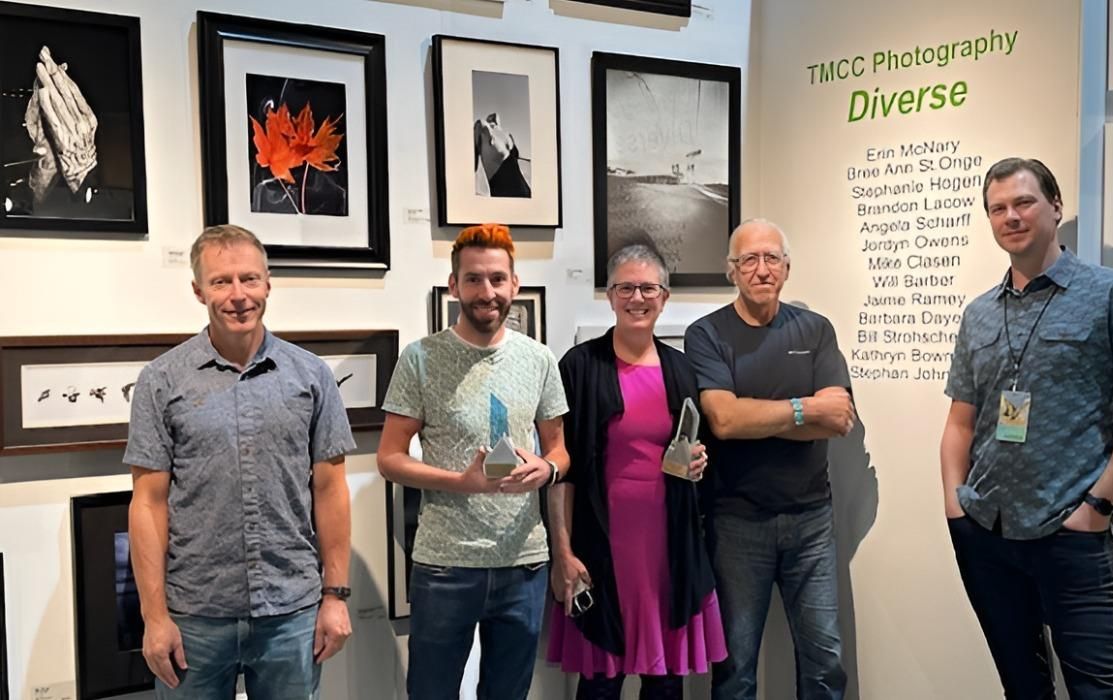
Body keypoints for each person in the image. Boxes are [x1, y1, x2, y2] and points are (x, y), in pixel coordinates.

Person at [941, 158, 1113, 699]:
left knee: (1096, 690)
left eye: (1023, 203)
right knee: (1021, 686)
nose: (1011, 217)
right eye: (998, 208)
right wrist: (956, 506)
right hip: (987, 530)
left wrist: (1098, 507)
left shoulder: (1111, 294)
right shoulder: (979, 313)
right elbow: (959, 420)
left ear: (1055, 207)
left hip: (1071, 532)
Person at [125, 224, 355, 699]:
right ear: (198, 291)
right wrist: (154, 617)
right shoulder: (161, 381)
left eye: (249, 279)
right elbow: (148, 504)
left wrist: (335, 597)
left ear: (268, 283)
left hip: (291, 611)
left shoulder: (311, 376)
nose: (238, 295)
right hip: (195, 614)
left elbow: (330, 490)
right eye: (221, 282)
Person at [376, 223, 568, 699]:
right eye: (475, 279)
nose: (488, 292)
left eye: (498, 279)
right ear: (454, 286)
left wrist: (547, 470)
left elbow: (560, 449)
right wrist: (461, 482)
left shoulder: (540, 359)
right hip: (445, 567)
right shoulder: (420, 358)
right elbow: (389, 459)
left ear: (514, 284)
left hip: (524, 563)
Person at [546, 244, 728, 699]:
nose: (637, 298)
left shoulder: (681, 369)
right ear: (609, 296)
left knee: (665, 681)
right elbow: (562, 470)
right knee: (601, 681)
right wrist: (563, 552)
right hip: (601, 547)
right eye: (625, 287)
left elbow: (691, 455)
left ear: (664, 297)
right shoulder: (580, 366)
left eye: (648, 288)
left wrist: (698, 464)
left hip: (668, 549)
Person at [684, 218, 855, 700]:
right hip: (736, 522)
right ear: (731, 271)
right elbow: (724, 422)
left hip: (811, 522)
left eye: (772, 258)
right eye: (749, 260)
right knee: (735, 668)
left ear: (787, 268)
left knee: (825, 663)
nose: (762, 269)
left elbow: (838, 419)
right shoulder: (707, 334)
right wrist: (804, 408)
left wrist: (757, 416)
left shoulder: (816, 329)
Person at [474, 113, 531, 198]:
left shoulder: (507, 135)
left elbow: (517, 158)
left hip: (525, 192)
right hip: (504, 193)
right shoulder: (482, 126)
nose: (494, 115)